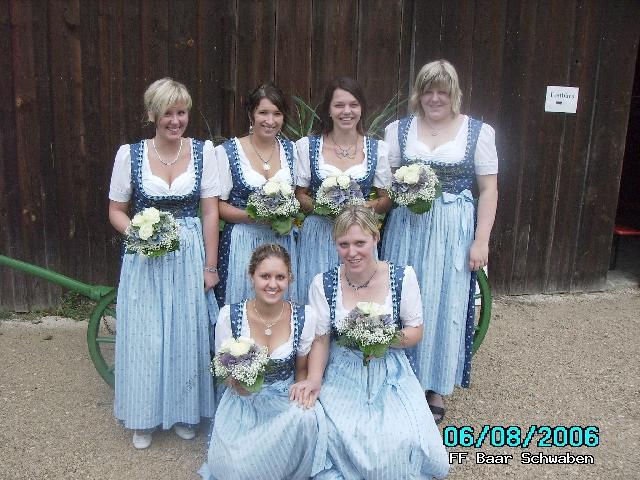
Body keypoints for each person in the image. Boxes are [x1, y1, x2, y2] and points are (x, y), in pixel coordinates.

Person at [290, 206, 450, 479]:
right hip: (343, 367)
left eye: (360, 243)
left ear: (375, 237)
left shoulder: (402, 277)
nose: (352, 252)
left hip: (389, 368)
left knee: (401, 438)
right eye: (344, 244)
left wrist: (381, 337)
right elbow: (321, 338)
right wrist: (314, 379)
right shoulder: (323, 283)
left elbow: (415, 331)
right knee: (336, 432)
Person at [380, 59, 499, 423]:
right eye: (428, 91)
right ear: (418, 93)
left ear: (454, 94)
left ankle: (435, 386)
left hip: (452, 230)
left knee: (444, 301)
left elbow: (489, 189)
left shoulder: (478, 132)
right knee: (400, 298)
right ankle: (397, 377)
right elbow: (386, 185)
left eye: (442, 92)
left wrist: (481, 240)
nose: (434, 98)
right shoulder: (398, 130)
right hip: (406, 227)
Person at [108, 78, 220, 449]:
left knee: (186, 332)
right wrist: (140, 232)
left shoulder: (203, 152)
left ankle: (185, 412)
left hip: (188, 255)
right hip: (145, 257)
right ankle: (143, 417)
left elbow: (210, 212)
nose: (175, 120)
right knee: (146, 335)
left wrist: (210, 266)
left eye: (181, 112)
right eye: (168, 113)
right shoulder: (130, 155)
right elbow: (116, 210)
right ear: (152, 114)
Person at [199, 244, 326, 480]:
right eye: (265, 276)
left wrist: (300, 392)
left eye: (280, 277)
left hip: (282, 397)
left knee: (307, 418)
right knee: (236, 469)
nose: (272, 284)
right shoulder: (230, 316)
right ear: (252, 277)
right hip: (243, 401)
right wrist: (236, 383)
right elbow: (223, 372)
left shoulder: (304, 317)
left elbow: (301, 368)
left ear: (290, 278)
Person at [294, 77, 392, 304]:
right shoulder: (308, 146)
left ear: (361, 108)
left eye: (353, 105)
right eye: (339, 105)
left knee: (358, 302)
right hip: (319, 235)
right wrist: (323, 206)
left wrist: (360, 207)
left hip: (359, 237)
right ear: (328, 110)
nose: (346, 111)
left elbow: (386, 200)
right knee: (316, 300)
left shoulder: (377, 149)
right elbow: (299, 194)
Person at [215, 83, 298, 306]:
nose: (270, 121)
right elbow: (218, 206)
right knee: (242, 305)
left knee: (278, 305)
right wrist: (254, 215)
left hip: (281, 241)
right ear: (251, 114)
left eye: (277, 114)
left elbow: (297, 197)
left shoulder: (292, 151)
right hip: (242, 241)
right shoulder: (227, 152)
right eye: (263, 113)